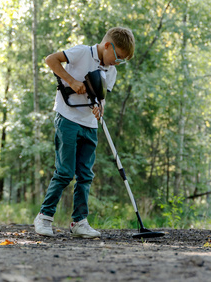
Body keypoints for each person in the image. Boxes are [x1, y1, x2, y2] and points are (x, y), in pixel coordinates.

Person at [34, 27, 135, 238]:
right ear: (108, 46)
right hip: (68, 119)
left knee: (85, 175)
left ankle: (79, 221)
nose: (117, 63)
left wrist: (100, 108)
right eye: (118, 57)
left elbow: (102, 99)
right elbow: (51, 59)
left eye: (122, 61)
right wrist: (71, 81)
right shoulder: (81, 52)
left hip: (90, 125)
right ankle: (44, 217)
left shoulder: (111, 71)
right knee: (64, 172)